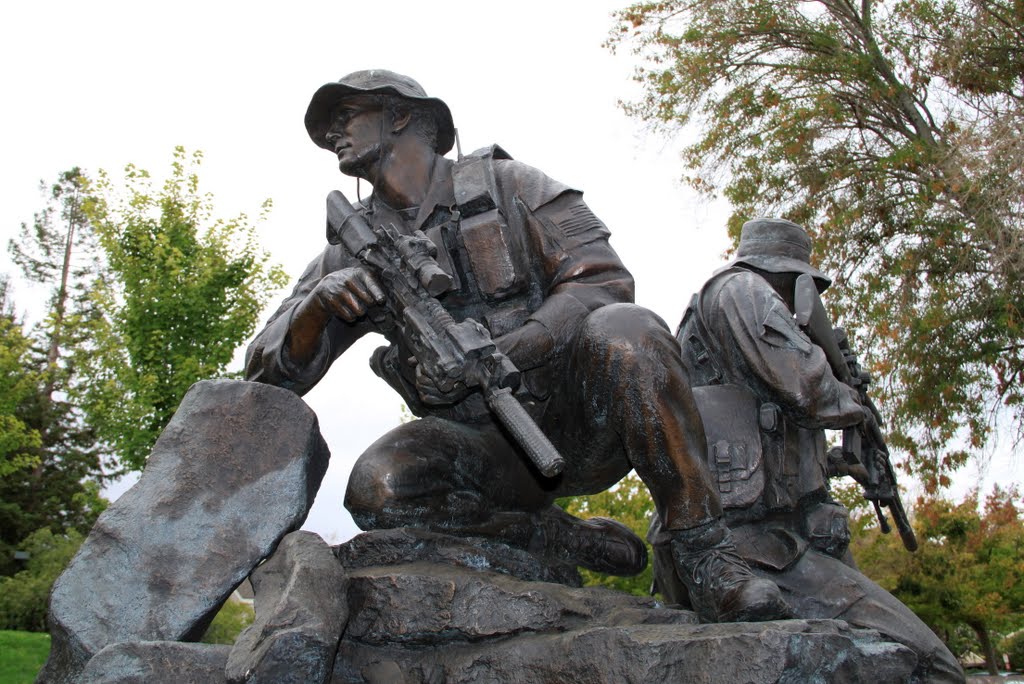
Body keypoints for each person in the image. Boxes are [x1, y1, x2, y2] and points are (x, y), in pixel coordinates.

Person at [245, 69, 790, 623]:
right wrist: (318, 306)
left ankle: (706, 555)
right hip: (484, 453)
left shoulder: (510, 186)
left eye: (348, 116)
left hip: (576, 427)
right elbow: (267, 376)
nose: (335, 133)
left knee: (630, 330)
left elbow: (603, 282)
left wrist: (511, 348)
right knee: (378, 488)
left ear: (402, 114)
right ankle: (553, 537)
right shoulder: (352, 248)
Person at [655, 217, 963, 681]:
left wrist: (846, 461)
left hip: (777, 543)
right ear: (791, 274)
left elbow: (777, 430)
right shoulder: (743, 290)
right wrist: (855, 403)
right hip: (741, 546)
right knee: (933, 666)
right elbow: (807, 387)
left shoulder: (747, 309)